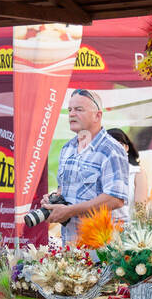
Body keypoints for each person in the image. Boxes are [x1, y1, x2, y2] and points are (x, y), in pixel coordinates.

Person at [44, 88, 129, 238]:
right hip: (71, 246)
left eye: (79, 109)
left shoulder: (111, 150)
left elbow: (115, 199)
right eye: (70, 109)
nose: (71, 114)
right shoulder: (67, 149)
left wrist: (70, 211)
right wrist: (52, 200)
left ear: (98, 115)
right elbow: (63, 190)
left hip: (103, 249)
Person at [107, 127, 140, 210]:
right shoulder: (98, 173)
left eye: (120, 144)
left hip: (129, 222)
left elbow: (141, 210)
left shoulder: (137, 173)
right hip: (102, 222)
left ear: (126, 148)